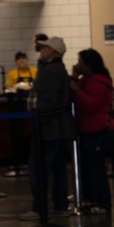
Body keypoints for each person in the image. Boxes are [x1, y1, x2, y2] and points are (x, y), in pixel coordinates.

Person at [28, 36, 73, 216]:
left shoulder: (49, 71)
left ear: (53, 52)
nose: (41, 51)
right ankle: (60, 204)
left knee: (38, 168)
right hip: (59, 126)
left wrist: (39, 120)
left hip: (49, 127)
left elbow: (47, 100)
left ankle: (39, 208)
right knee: (57, 168)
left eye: (45, 48)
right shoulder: (58, 69)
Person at [70, 49, 114, 212]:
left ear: (88, 65)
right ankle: (91, 199)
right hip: (88, 129)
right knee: (89, 168)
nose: (77, 64)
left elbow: (91, 104)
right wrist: (75, 78)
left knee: (97, 169)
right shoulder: (87, 80)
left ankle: (103, 203)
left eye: (80, 61)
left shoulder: (98, 81)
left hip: (97, 129)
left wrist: (76, 88)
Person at [4, 51, 36, 177]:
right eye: (19, 59)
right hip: (17, 107)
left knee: (31, 133)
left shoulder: (34, 71)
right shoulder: (12, 74)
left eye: (24, 58)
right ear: (16, 61)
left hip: (31, 106)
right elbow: (8, 87)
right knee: (18, 133)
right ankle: (19, 161)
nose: (22, 61)